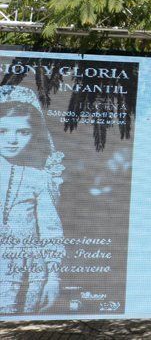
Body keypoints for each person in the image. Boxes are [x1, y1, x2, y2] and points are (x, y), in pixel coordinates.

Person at [0, 85, 64, 315]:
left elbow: (50, 230)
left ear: (34, 134)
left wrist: (53, 278)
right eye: (2, 131)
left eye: (23, 132)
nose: (12, 140)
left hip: (26, 274)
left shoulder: (38, 178)